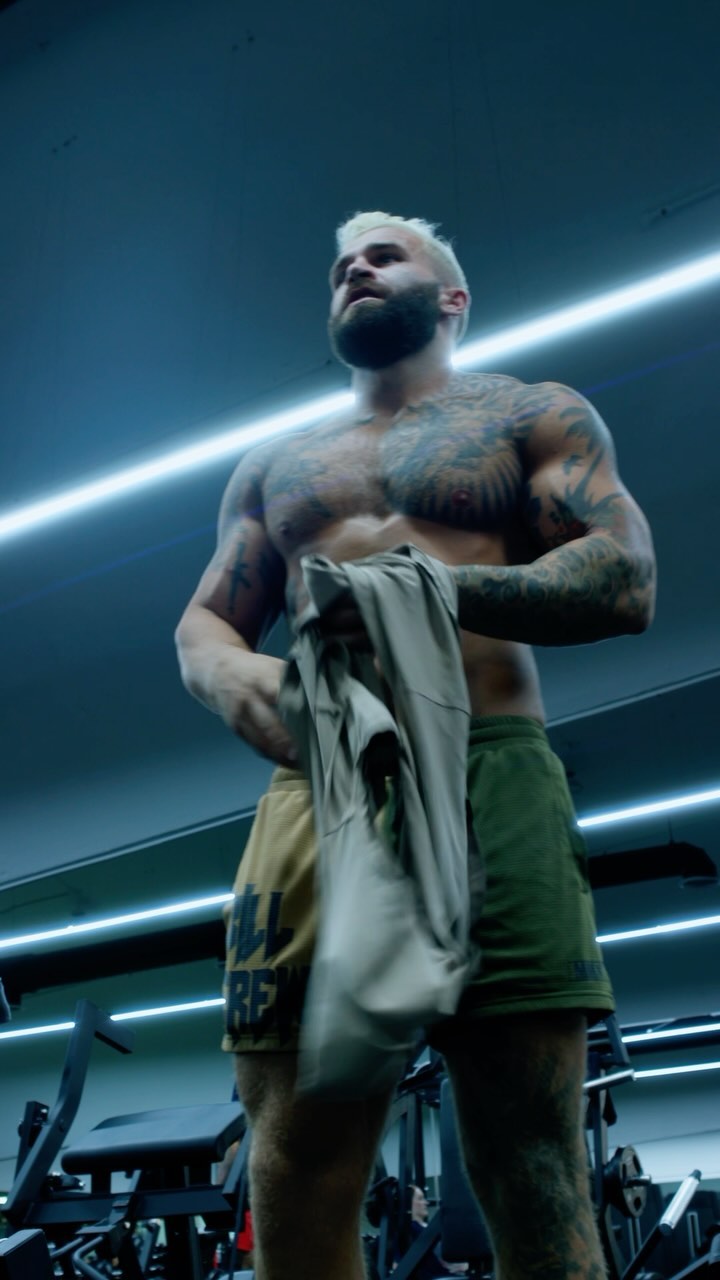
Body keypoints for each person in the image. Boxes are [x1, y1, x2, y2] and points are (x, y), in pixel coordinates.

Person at [175, 210, 656, 1280]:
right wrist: (230, 673)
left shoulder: (531, 413)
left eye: (385, 255)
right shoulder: (275, 465)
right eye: (341, 264)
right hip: (317, 783)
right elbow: (205, 620)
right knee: (295, 1158)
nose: (355, 267)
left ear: (452, 298)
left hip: (492, 767)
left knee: (532, 1155)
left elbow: (625, 577)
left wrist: (431, 588)